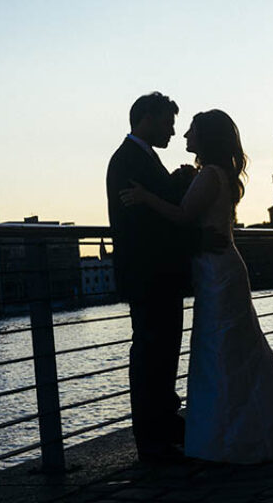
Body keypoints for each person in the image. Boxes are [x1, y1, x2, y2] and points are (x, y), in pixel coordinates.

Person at [121, 109, 273, 464]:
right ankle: (243, 427)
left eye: (191, 131)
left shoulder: (209, 174)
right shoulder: (215, 174)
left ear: (206, 137)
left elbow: (182, 216)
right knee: (233, 349)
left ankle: (227, 433)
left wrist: (146, 198)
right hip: (218, 270)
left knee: (221, 350)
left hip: (216, 273)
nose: (184, 136)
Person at [106, 92, 196, 463]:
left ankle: (162, 428)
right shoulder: (129, 160)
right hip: (150, 274)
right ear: (147, 118)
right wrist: (182, 182)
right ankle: (153, 438)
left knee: (159, 353)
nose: (173, 131)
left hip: (154, 274)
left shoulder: (136, 157)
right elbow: (156, 215)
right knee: (151, 354)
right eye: (168, 122)